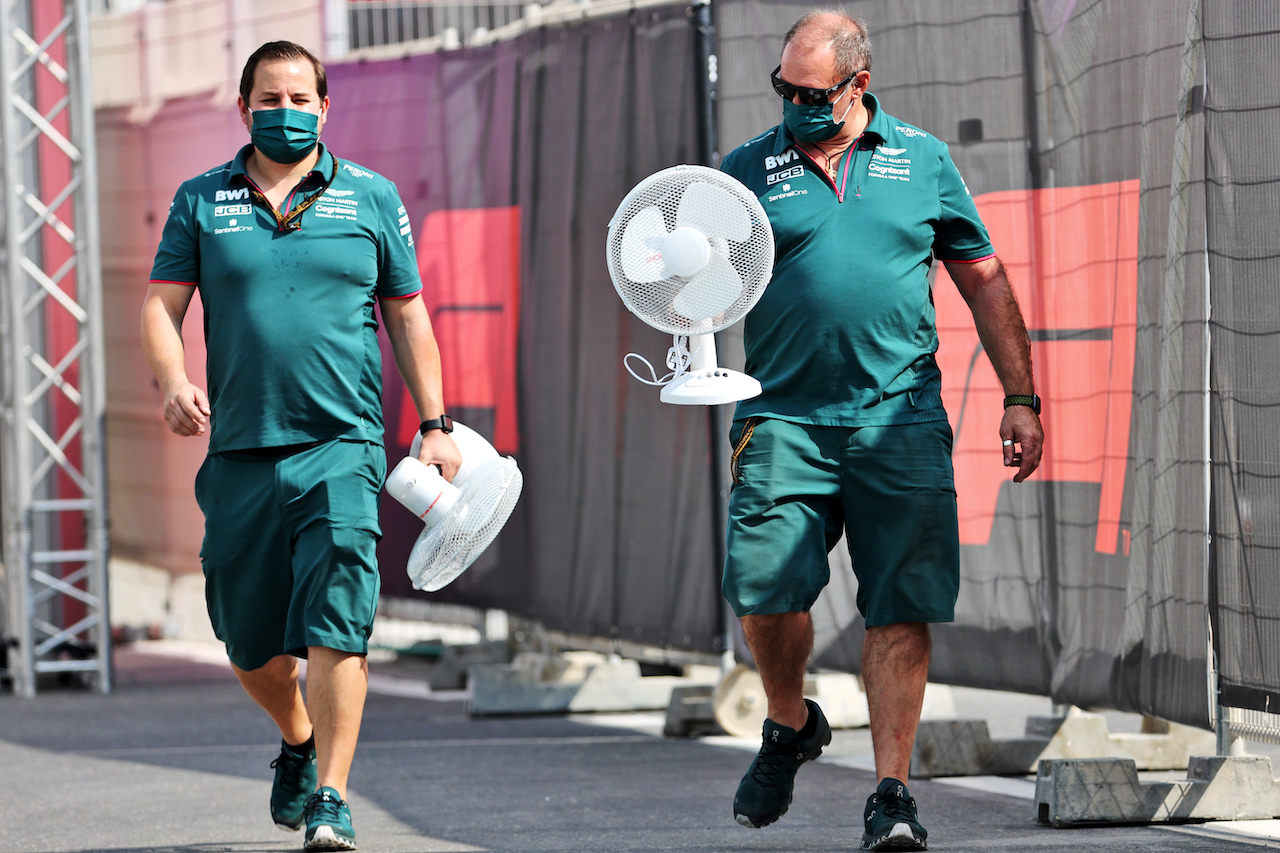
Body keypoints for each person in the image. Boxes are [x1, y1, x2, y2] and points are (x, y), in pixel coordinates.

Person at [718, 10, 1043, 851]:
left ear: (859, 84)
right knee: (765, 587)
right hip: (782, 417)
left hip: (898, 417)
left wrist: (1021, 396)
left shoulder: (924, 161)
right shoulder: (745, 169)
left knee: (899, 605)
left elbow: (983, 275)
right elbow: (689, 281)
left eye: (812, 92)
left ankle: (891, 793)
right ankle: (790, 724)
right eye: (782, 88)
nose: (794, 102)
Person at [140, 41, 461, 852]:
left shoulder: (372, 197)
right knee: (248, 642)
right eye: (269, 98)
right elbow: (160, 306)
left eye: (301, 98)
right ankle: (296, 737)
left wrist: (435, 422)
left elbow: (409, 313)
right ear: (243, 108)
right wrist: (173, 379)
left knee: (338, 623)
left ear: (325, 106)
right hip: (241, 452)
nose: (287, 111)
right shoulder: (200, 199)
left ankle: (331, 797)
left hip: (342, 447)